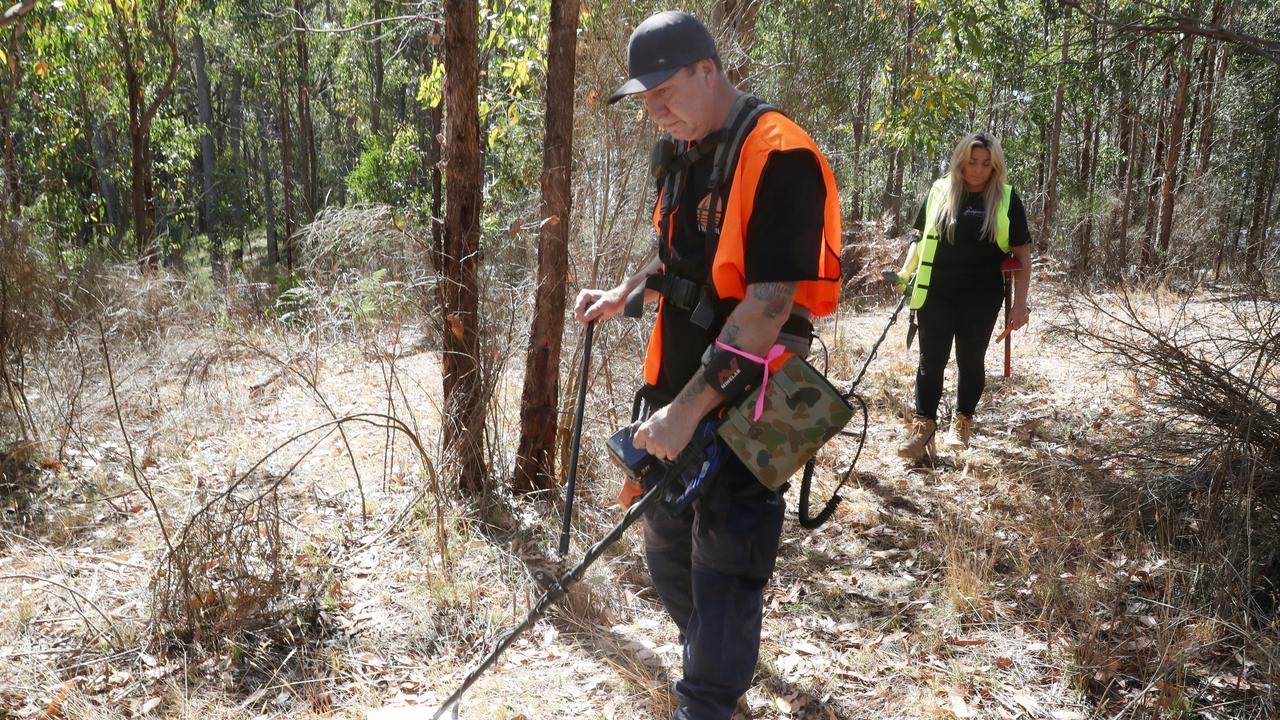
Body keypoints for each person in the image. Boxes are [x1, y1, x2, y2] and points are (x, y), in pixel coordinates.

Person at [573, 11, 842, 720]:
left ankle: (710, 699)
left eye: (664, 92)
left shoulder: (781, 155)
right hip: (678, 388)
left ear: (707, 70)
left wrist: (688, 409)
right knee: (664, 538)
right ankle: (712, 660)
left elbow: (767, 307)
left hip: (756, 396)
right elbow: (678, 254)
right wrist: (623, 293)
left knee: (729, 559)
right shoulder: (685, 150)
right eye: (645, 100)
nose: (654, 111)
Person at [894, 132, 1032, 460]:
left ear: (995, 166)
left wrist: (1020, 305)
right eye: (972, 162)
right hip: (935, 291)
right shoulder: (941, 190)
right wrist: (904, 272)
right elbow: (919, 237)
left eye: (986, 164)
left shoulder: (1007, 199)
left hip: (981, 296)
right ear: (961, 160)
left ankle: (962, 422)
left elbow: (1023, 257)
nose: (978, 170)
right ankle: (923, 428)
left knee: (970, 361)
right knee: (931, 359)